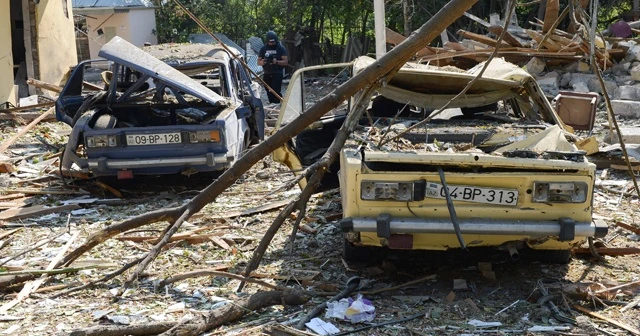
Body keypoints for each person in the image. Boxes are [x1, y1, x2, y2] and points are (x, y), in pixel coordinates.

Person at [258, 31, 288, 104]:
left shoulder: (280, 48)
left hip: (277, 72)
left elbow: (285, 62)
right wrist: (263, 62)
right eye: (270, 42)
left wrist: (277, 62)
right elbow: (258, 62)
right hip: (267, 72)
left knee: (276, 90)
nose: (272, 44)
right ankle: (271, 103)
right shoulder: (263, 49)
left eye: (273, 42)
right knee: (268, 90)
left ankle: (279, 103)